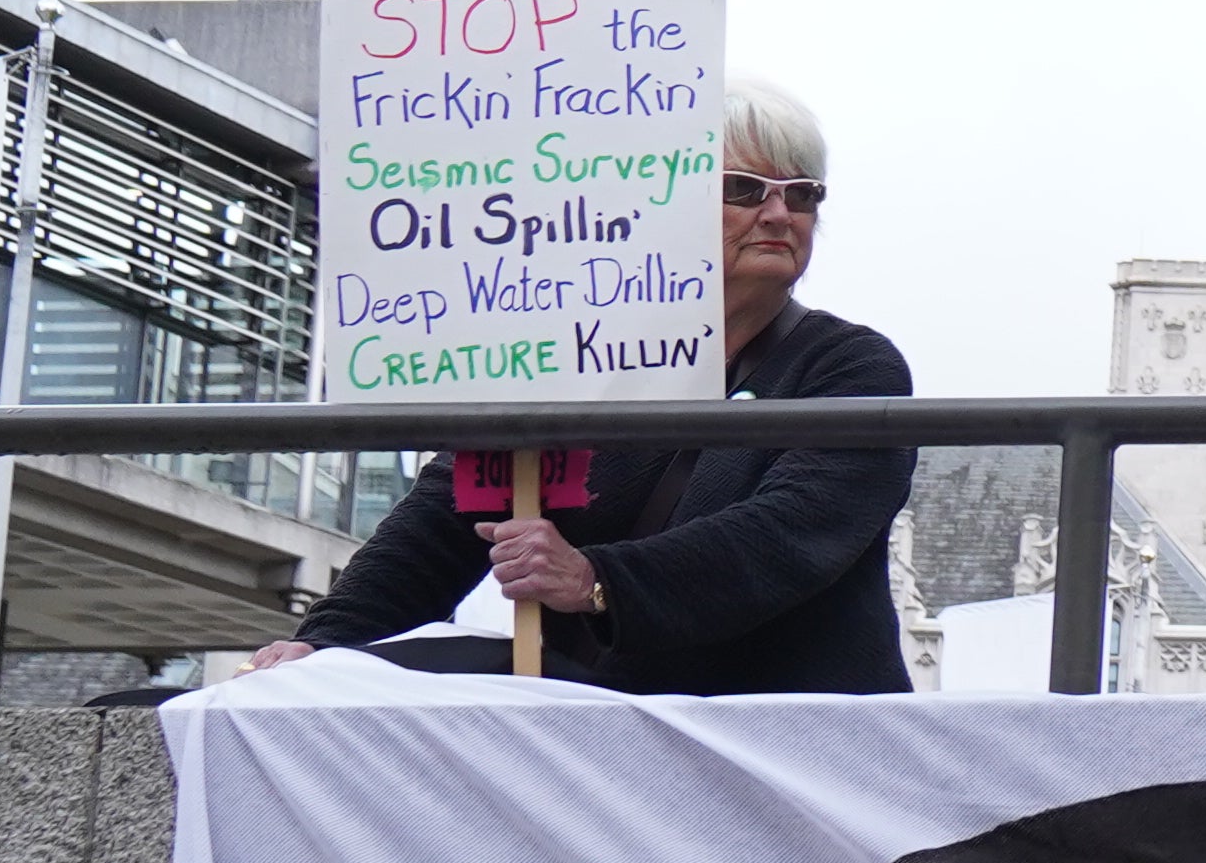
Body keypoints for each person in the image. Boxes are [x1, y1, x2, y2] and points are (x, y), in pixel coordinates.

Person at [256, 77, 919, 692]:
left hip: (790, 742)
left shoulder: (854, 368)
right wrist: (325, 643)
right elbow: (448, 519)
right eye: (744, 189)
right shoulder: (572, 364)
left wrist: (597, 581)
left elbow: (783, 540)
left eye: (802, 194)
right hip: (615, 746)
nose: (779, 213)